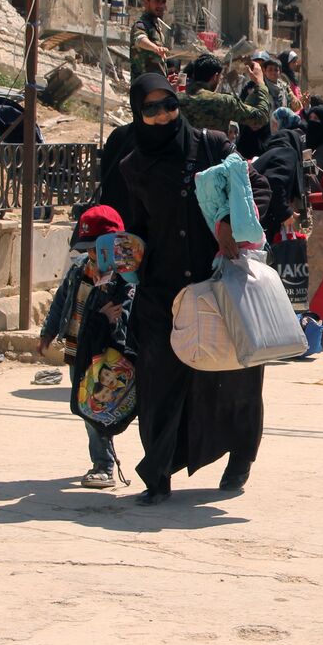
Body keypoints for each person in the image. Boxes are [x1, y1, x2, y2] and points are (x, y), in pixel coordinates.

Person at [121, 73, 272, 505]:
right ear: (138, 114)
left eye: (168, 105)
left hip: (218, 281)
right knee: (159, 380)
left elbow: (256, 187)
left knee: (235, 376)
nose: (163, 115)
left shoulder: (213, 147)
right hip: (162, 290)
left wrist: (231, 224)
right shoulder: (133, 167)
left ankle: (240, 457)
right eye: (150, 110)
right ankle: (158, 473)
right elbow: (136, 228)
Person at [38, 205, 129, 489]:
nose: (92, 255)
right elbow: (60, 302)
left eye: (97, 248)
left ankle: (106, 464)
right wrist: (48, 333)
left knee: (102, 406)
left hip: (105, 353)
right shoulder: (79, 271)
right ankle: (102, 463)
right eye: (88, 249)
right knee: (89, 409)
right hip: (77, 351)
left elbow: (126, 313)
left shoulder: (123, 277)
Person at [178, 54, 271, 133]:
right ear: (215, 76)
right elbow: (260, 118)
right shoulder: (224, 102)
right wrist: (260, 83)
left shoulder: (175, 99)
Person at [129, 0, 170, 77]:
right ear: (147, 3)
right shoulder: (141, 24)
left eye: (163, 2)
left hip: (156, 84)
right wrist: (156, 48)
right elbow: (140, 39)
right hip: (144, 84)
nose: (160, 5)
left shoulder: (156, 27)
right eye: (157, 1)